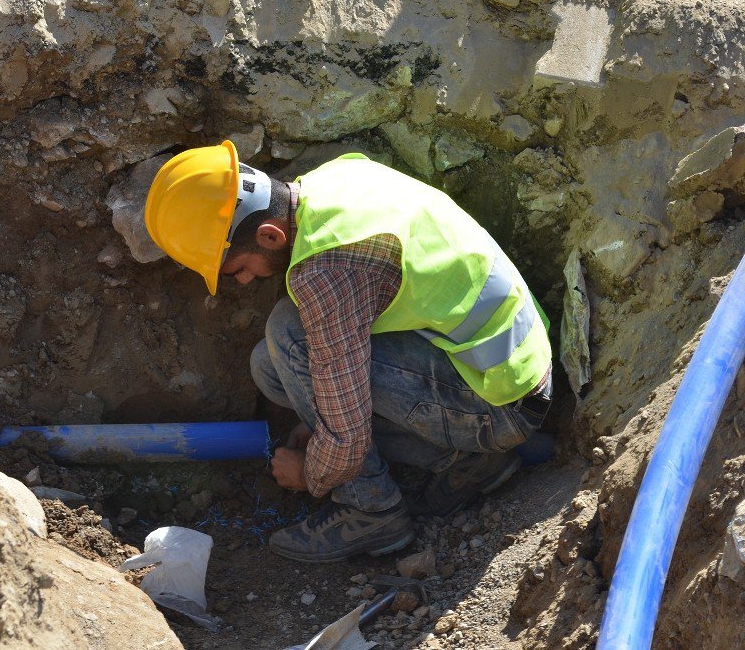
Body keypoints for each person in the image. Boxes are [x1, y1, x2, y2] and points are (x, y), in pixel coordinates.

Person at [144, 141, 552, 563]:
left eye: (239, 269)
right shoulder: (335, 180)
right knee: (269, 364)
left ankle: (370, 512)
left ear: (270, 235)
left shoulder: (330, 270)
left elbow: (348, 435)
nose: (244, 282)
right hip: (500, 365)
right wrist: (319, 423)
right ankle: (463, 461)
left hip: (498, 401)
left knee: (290, 332)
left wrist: (312, 472)